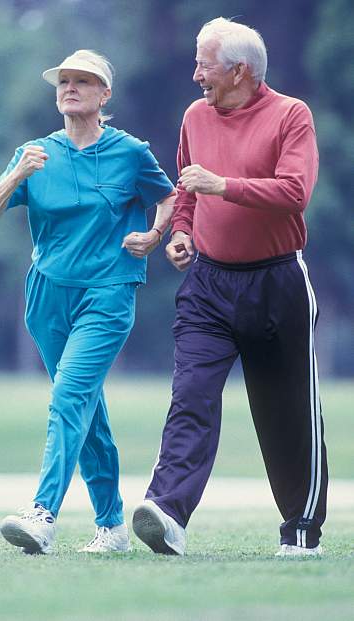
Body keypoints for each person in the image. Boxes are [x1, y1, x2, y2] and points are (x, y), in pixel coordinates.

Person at [132, 17, 327, 558]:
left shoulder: (292, 115)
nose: (196, 74)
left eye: (205, 64)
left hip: (277, 282)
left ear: (240, 70)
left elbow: (294, 191)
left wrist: (225, 185)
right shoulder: (195, 116)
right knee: (190, 396)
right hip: (209, 285)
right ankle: (167, 512)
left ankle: (301, 530)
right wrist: (181, 232)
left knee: (285, 413)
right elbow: (186, 187)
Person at [0, 49, 175, 555]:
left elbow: (169, 196)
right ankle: (111, 526)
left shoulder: (130, 152)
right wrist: (18, 175)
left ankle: (43, 514)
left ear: (104, 94)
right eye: (64, 81)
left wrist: (154, 235)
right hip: (46, 296)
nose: (70, 88)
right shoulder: (35, 152)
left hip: (108, 293)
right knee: (86, 407)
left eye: (83, 81)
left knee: (68, 397)